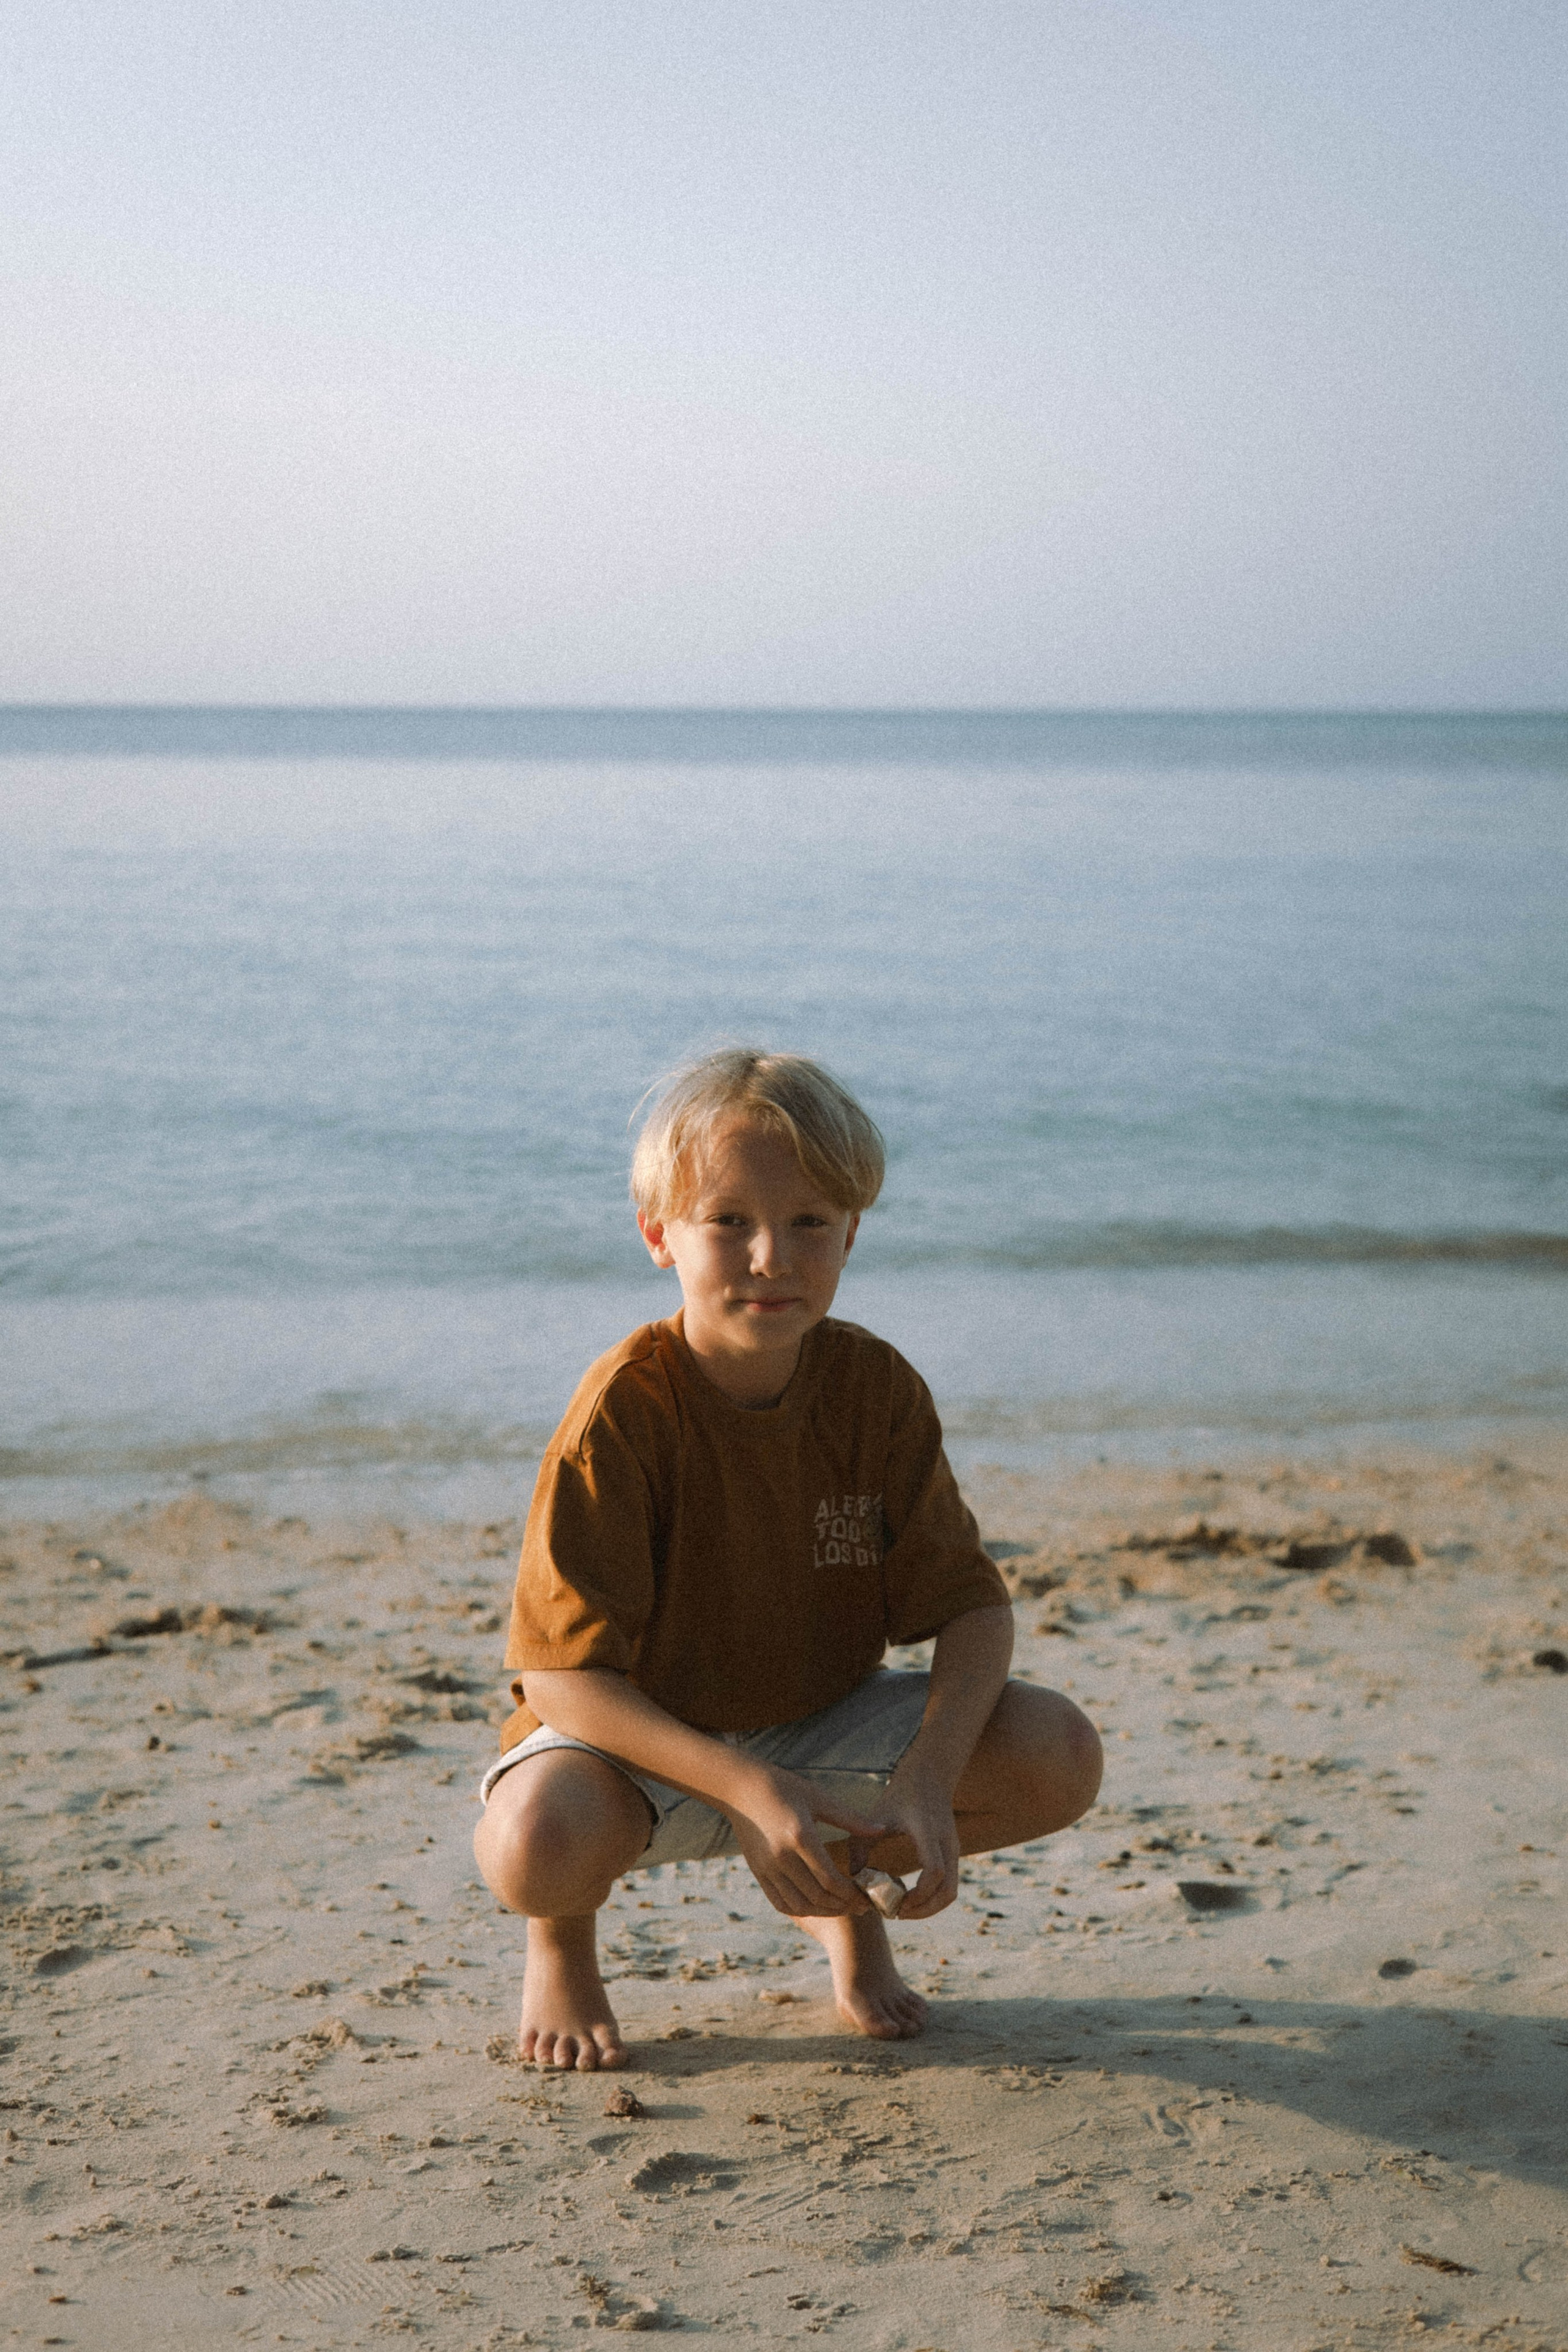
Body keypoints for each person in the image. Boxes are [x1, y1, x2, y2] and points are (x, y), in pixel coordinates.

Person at [473, 1049, 1102, 2070]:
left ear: (851, 1235)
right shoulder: (624, 1413)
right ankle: (563, 1943)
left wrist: (930, 1780)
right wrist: (747, 1792)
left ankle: (843, 1905)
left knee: (1059, 1751)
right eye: (729, 1221)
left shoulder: (875, 1389)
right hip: (641, 1752)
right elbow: (559, 1675)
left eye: (811, 1221)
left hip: (821, 1728)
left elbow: (974, 1613)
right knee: (530, 1848)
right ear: (658, 1234)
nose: (773, 1255)